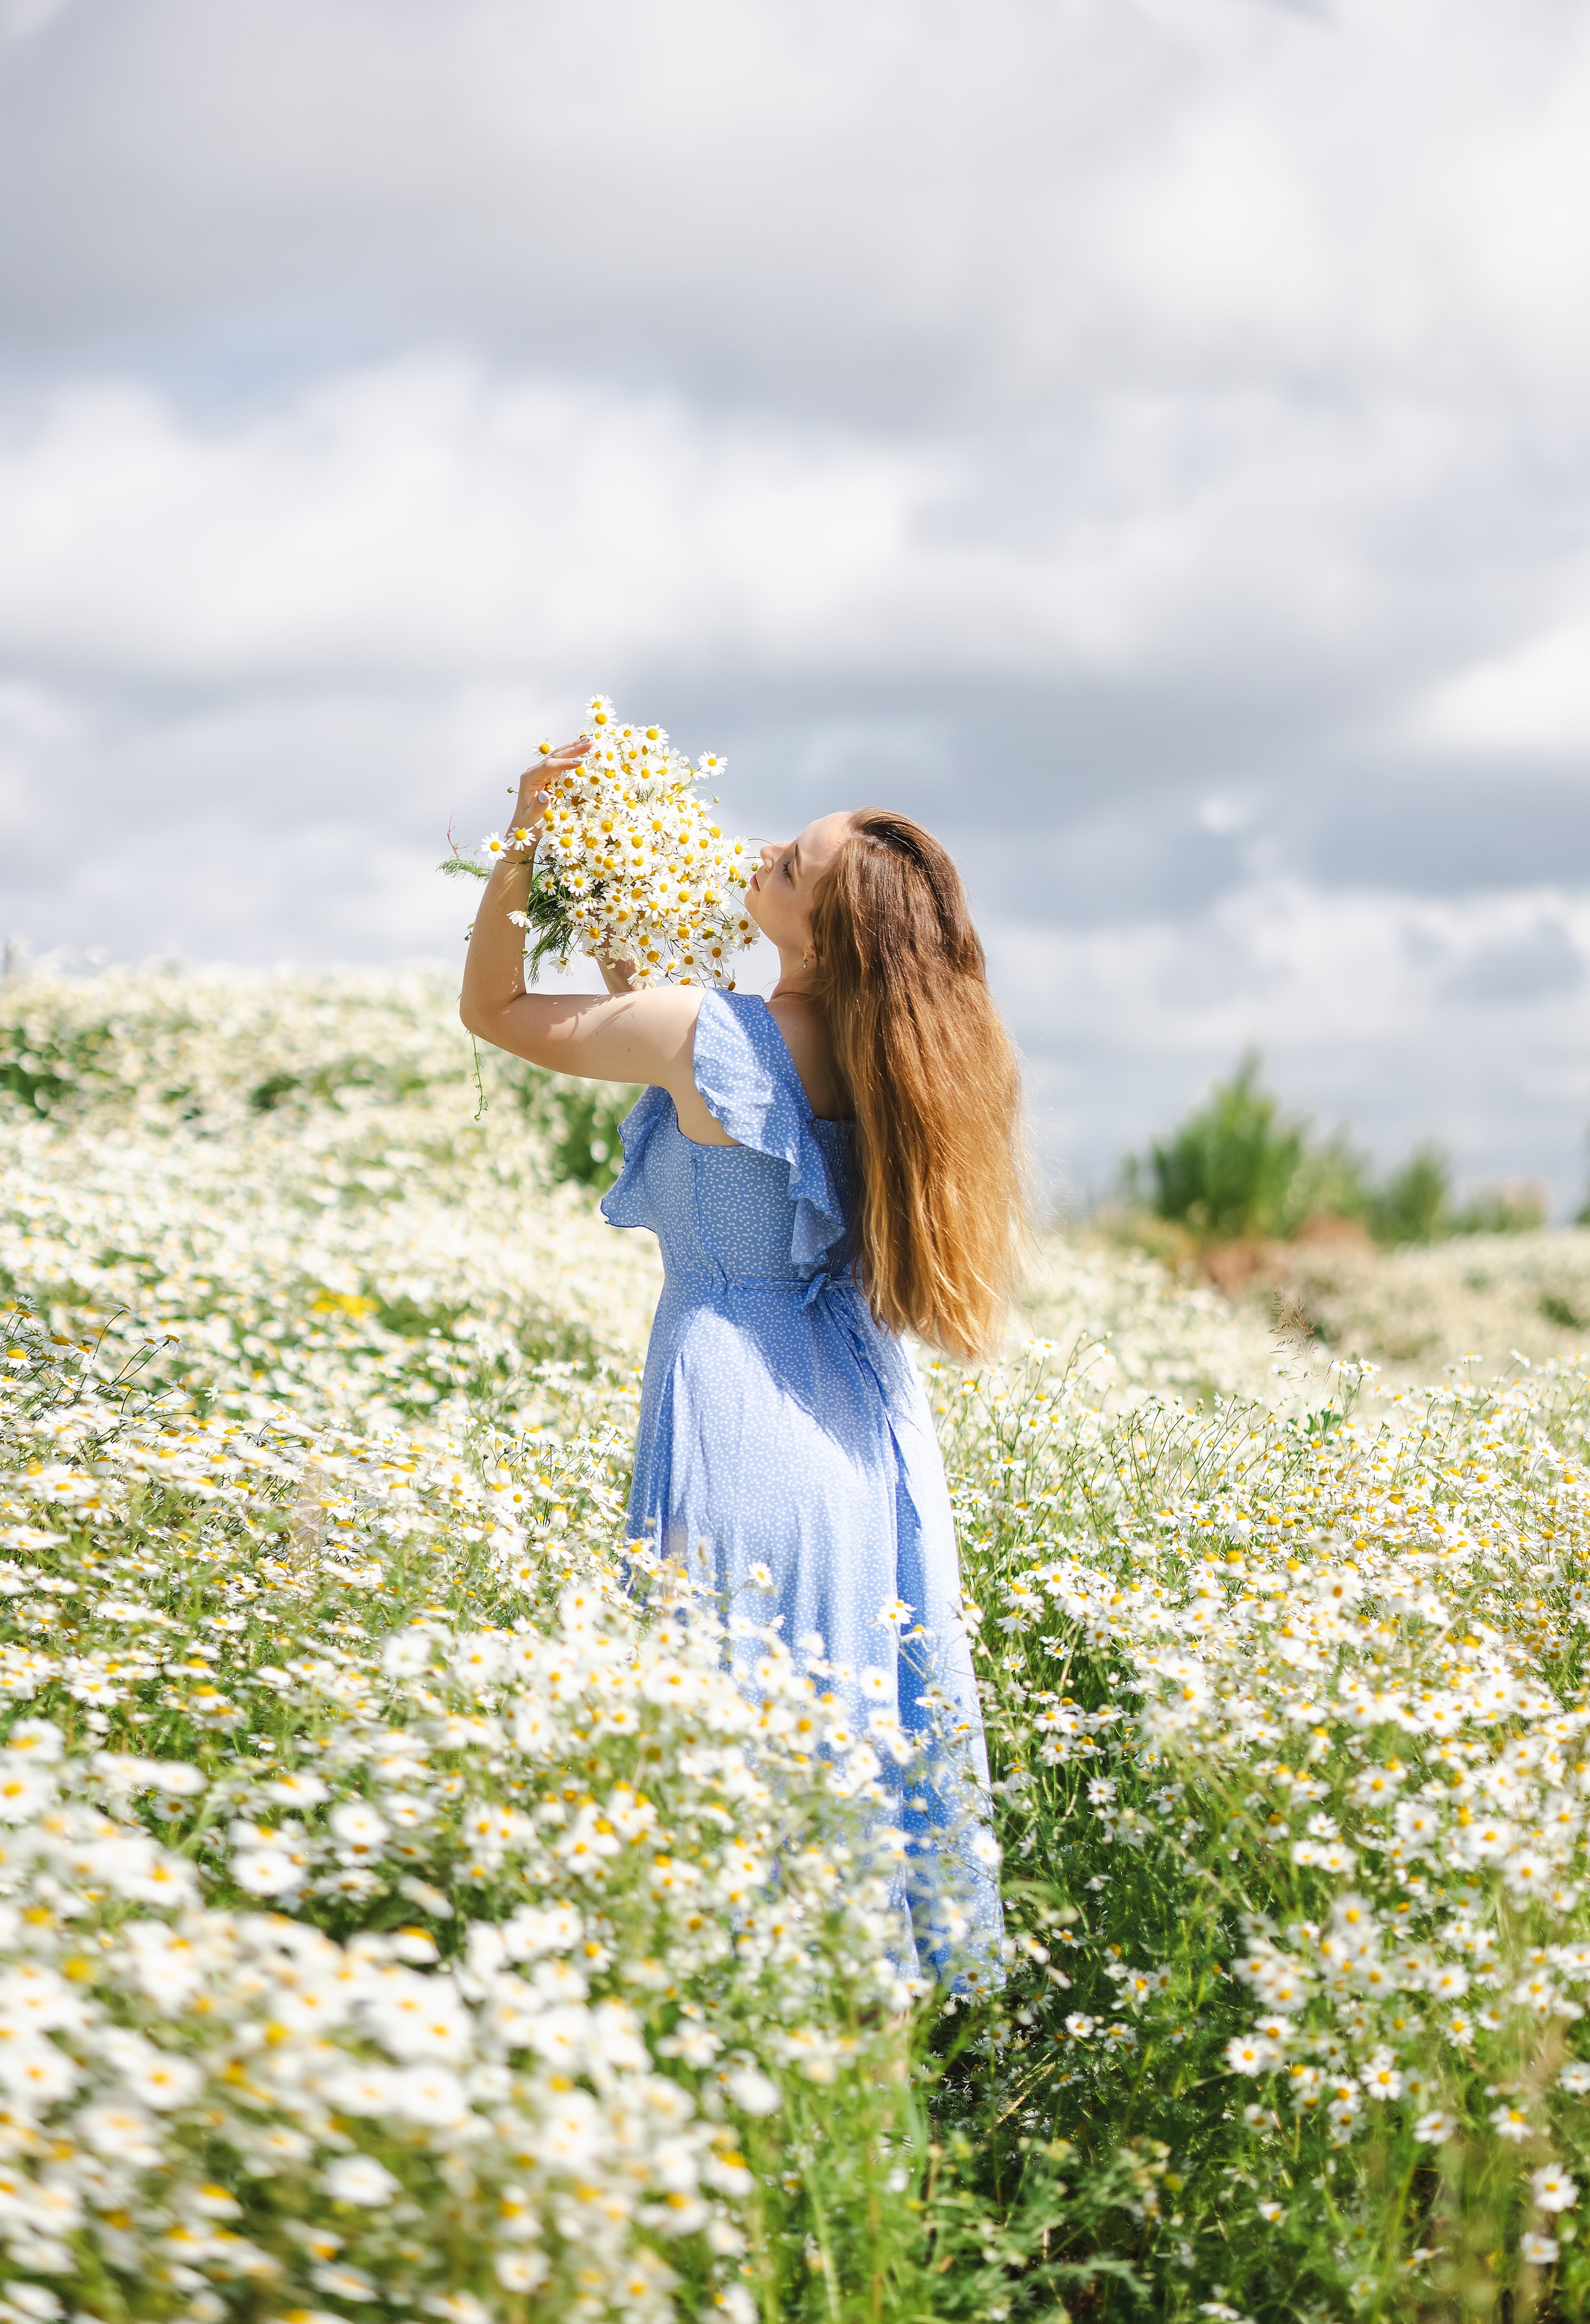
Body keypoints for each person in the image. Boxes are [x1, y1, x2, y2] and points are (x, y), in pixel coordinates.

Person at [460, 736, 1025, 1979]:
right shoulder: (906, 1062)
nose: (759, 853)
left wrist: (522, 842)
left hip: (732, 1402)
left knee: (716, 1731)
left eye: (788, 860)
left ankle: (715, 2010)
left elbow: (494, 1011)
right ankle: (854, 2066)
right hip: (860, 1429)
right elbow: (661, 1011)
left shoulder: (701, 1029)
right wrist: (610, 865)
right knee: (841, 1744)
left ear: (823, 929)